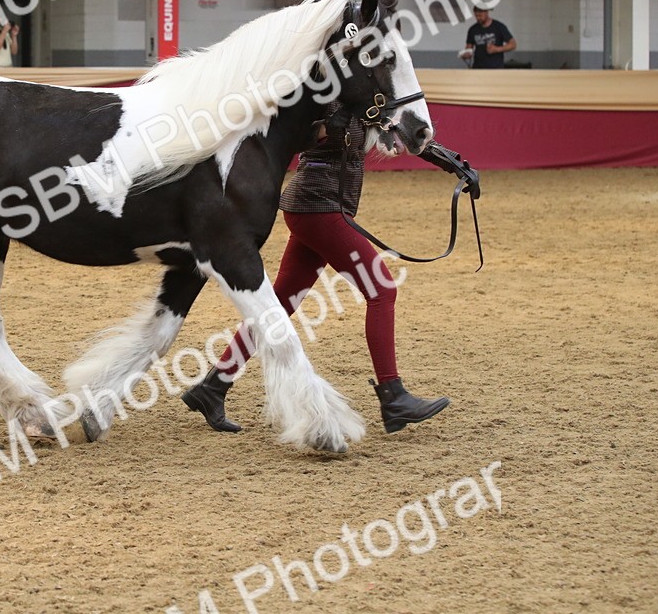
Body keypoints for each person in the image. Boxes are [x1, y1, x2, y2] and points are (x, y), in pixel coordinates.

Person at [181, 104, 481, 435]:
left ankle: (213, 387)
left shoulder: (364, 98)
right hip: (318, 207)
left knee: (280, 304)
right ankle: (393, 396)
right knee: (381, 290)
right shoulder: (326, 96)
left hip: (319, 207)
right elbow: (296, 135)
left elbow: (401, 130)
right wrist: (324, 127)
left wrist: (453, 163)